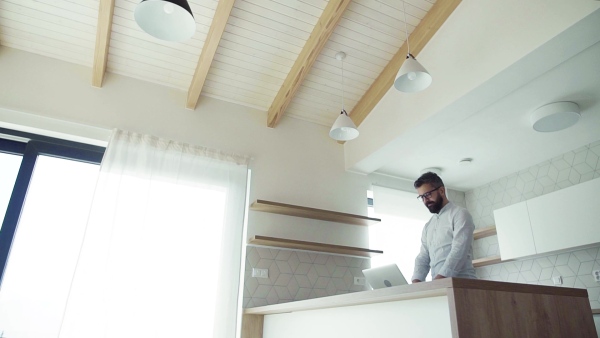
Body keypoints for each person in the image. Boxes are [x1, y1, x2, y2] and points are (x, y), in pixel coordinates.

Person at [411, 172, 476, 283]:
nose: (425, 201)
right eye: (422, 197)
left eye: (428, 195)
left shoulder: (460, 214)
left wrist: (439, 281)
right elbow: (423, 257)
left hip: (462, 285)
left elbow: (459, 251)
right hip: (439, 286)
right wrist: (416, 281)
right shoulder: (428, 226)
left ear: (441, 191)